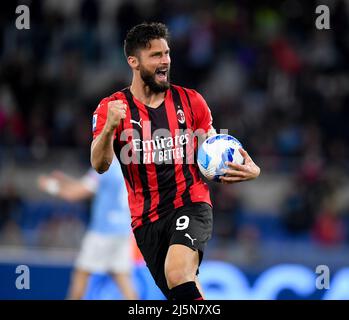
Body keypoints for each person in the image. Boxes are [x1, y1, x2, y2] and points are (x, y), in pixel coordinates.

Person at [90, 22, 260, 300]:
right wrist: (109, 127)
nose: (165, 61)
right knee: (181, 290)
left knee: (178, 273)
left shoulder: (191, 101)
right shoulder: (112, 108)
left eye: (166, 53)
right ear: (133, 61)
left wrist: (248, 167)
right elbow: (100, 164)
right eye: (155, 55)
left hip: (190, 203)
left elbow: (213, 149)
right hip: (146, 220)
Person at [37, 158, 138, 300]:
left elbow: (74, 194)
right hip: (123, 232)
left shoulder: (105, 165)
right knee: (123, 279)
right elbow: (88, 185)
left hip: (102, 233)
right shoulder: (129, 165)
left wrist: (48, 185)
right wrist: (65, 180)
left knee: (81, 277)